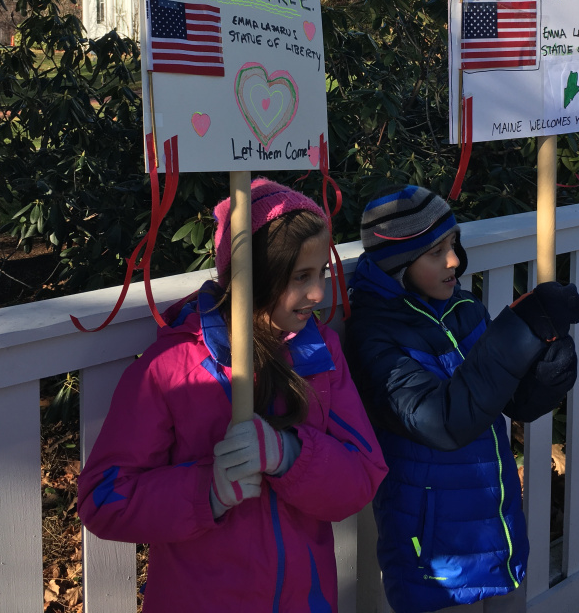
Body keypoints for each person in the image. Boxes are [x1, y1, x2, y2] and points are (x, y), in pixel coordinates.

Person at [78, 177, 388, 613]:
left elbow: (363, 476)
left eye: (320, 274)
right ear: (254, 278)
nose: (319, 293)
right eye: (301, 277)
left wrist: (290, 455)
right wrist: (208, 491)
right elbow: (103, 499)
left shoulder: (320, 354)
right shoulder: (170, 368)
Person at [344, 185, 579, 613]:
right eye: (436, 252)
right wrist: (520, 329)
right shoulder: (375, 335)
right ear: (397, 264)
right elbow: (444, 420)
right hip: (437, 565)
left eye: (452, 244)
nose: (454, 260)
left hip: (500, 540)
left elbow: (505, 400)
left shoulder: (465, 309)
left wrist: (546, 375)